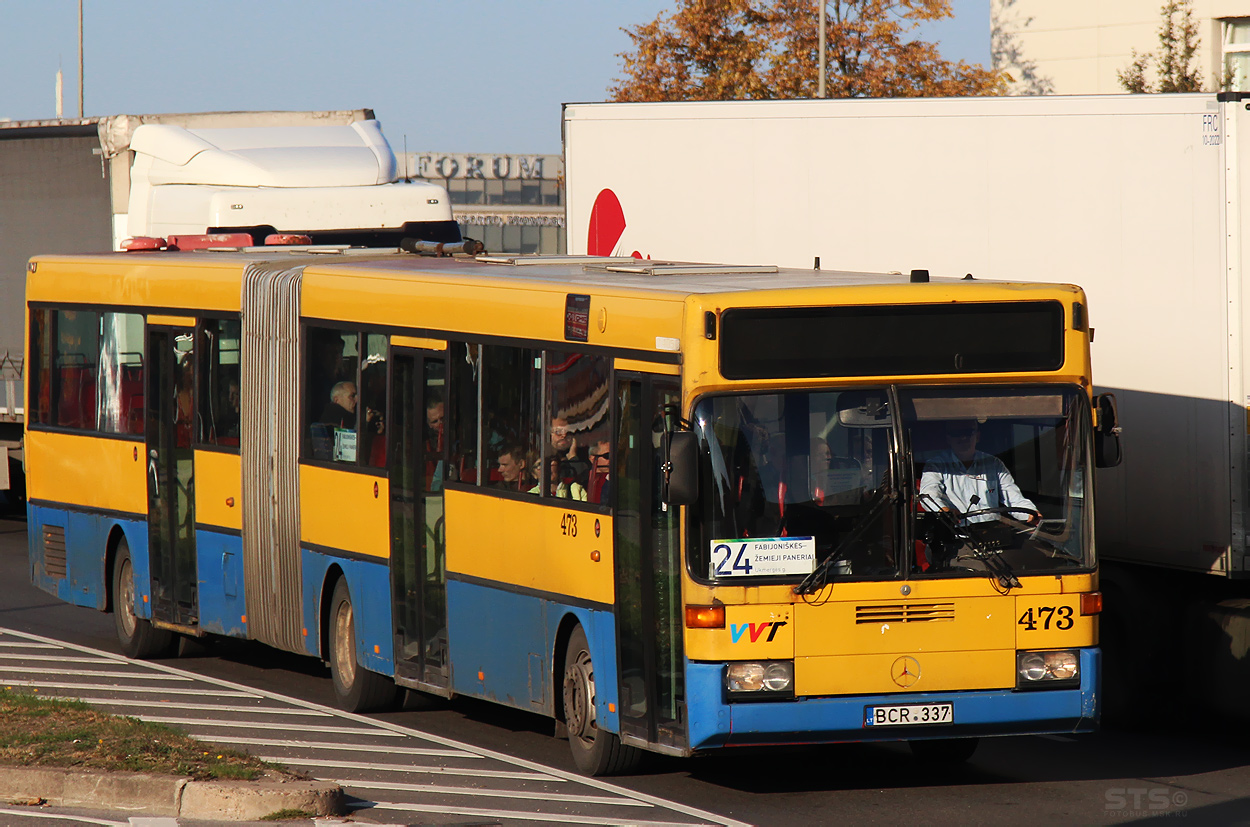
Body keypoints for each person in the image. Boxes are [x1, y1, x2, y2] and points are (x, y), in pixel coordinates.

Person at [920, 420, 1038, 525]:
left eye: (968, 432)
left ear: (977, 436)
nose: (962, 438)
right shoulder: (936, 465)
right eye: (956, 434)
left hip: (993, 536)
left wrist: (1032, 514)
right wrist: (944, 511)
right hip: (956, 539)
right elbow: (928, 495)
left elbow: (1013, 497)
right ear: (948, 439)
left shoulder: (994, 464)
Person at [550, 417, 591, 487]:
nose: (564, 435)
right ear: (549, 434)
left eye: (568, 431)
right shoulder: (542, 456)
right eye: (558, 432)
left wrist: (572, 456)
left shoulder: (583, 455)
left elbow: (583, 480)